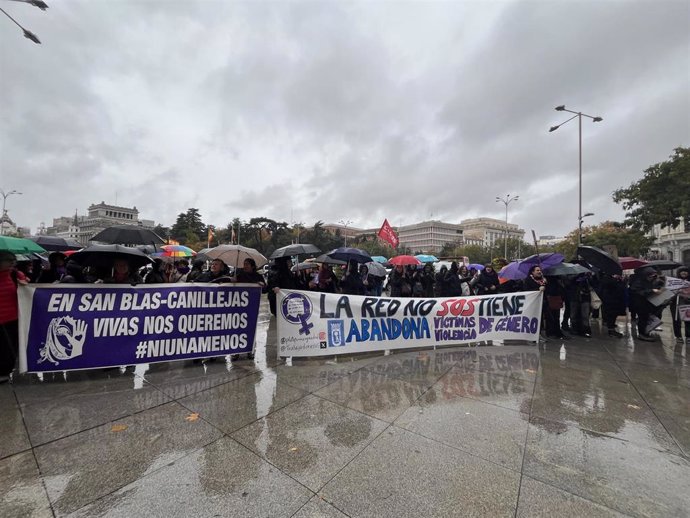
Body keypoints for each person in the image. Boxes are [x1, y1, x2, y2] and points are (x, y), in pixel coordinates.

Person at [0, 252, 28, 381]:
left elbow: (27, 292)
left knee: (9, 348)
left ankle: (4, 372)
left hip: (12, 319)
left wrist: (26, 285)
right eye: (8, 260)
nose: (12, 263)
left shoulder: (15, 275)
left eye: (14, 260)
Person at [629, 266, 664, 341]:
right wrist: (652, 291)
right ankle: (642, 334)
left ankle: (645, 332)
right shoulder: (638, 282)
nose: (651, 277)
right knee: (642, 318)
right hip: (639, 304)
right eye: (650, 276)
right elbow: (638, 292)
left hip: (647, 304)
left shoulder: (650, 282)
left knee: (646, 318)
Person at [598, 273, 626, 338]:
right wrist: (619, 280)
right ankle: (611, 331)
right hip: (611, 300)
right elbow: (618, 287)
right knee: (611, 315)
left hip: (612, 300)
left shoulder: (608, 279)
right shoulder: (608, 280)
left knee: (612, 315)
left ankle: (611, 328)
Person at [670, 266, 690, 343]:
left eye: (686, 271)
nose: (684, 273)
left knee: (688, 320)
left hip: (687, 304)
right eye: (682, 271)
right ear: (679, 273)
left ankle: (688, 336)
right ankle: (678, 336)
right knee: (676, 320)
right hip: (676, 303)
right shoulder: (673, 282)